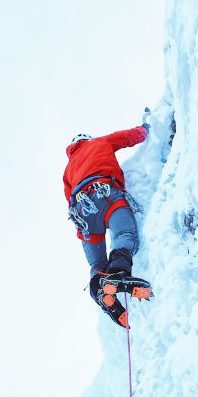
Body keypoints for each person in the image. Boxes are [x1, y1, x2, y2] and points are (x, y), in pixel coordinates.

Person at [64, 122, 153, 328]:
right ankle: (118, 274)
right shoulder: (99, 142)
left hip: (82, 212)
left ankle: (100, 289)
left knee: (97, 265)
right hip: (105, 193)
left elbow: (68, 198)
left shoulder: (68, 170)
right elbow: (127, 137)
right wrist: (145, 130)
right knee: (124, 235)